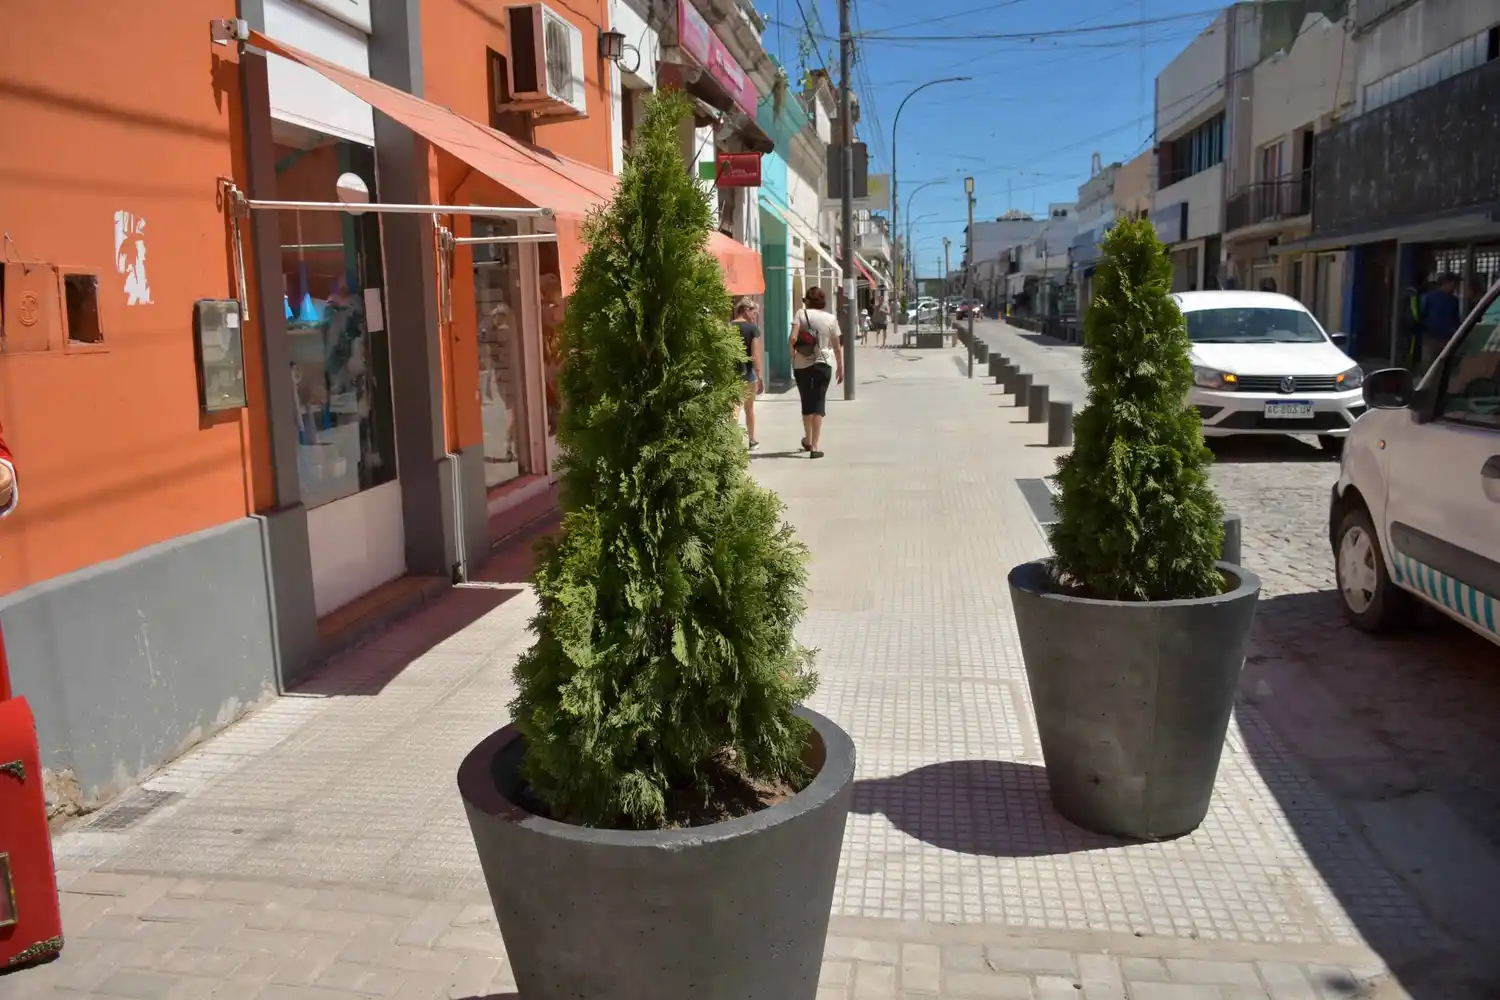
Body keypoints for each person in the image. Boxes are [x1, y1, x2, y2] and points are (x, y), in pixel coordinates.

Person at [790, 286, 843, 459]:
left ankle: (807, 438)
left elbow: (792, 337)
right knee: (819, 404)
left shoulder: (800, 313)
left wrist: (793, 353)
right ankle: (815, 446)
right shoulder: (831, 319)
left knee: (806, 402)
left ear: (807, 300)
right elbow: (836, 346)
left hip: (801, 364)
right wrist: (841, 366)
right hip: (824, 363)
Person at [731, 299, 764, 449]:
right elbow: (755, 356)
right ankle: (751, 440)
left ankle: (732, 442)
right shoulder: (752, 329)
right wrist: (760, 376)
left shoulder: (728, 327)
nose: (754, 315)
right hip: (748, 373)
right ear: (745, 310)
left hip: (731, 373)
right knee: (749, 408)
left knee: (734, 407)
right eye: (753, 312)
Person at [1419, 272, 1462, 374]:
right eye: (1454, 284)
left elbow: (1455, 319)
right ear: (1447, 283)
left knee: (1442, 366)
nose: (1455, 287)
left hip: (1445, 337)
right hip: (1431, 337)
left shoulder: (1454, 300)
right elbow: (1421, 315)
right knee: (1430, 366)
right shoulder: (1429, 298)